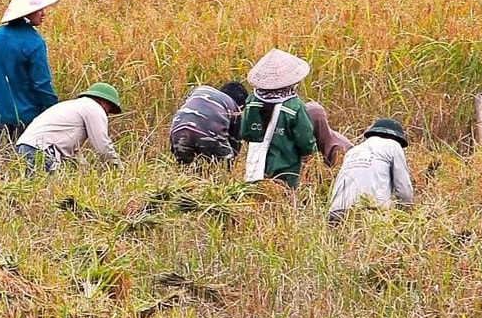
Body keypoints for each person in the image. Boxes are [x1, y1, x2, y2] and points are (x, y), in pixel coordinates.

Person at [0, 0, 59, 140]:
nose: (43, 13)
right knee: (27, 154)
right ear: (26, 13)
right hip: (29, 117)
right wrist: (54, 109)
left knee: (3, 153)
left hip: (0, 114)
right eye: (38, 9)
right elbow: (42, 84)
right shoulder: (34, 42)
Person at [238, 50, 322, 188]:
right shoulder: (295, 107)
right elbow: (306, 143)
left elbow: (245, 133)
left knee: (256, 196)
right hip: (286, 171)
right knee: (284, 198)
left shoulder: (252, 101)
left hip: (256, 169)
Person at [15, 83, 125, 171]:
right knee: (50, 189)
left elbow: (71, 151)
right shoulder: (94, 108)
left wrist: (85, 169)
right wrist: (118, 167)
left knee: (35, 187)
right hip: (42, 149)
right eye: (110, 109)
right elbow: (102, 144)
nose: (108, 113)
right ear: (104, 102)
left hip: (24, 147)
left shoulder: (71, 105)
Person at [328, 118, 416, 223]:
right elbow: (404, 190)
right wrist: (406, 215)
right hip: (368, 211)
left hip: (335, 211)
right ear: (394, 137)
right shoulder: (393, 145)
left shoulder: (353, 151)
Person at [167, 82, 249, 164]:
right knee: (224, 166)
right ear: (241, 106)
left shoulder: (200, 89)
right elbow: (234, 144)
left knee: (186, 167)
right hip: (208, 134)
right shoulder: (234, 107)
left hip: (178, 131)